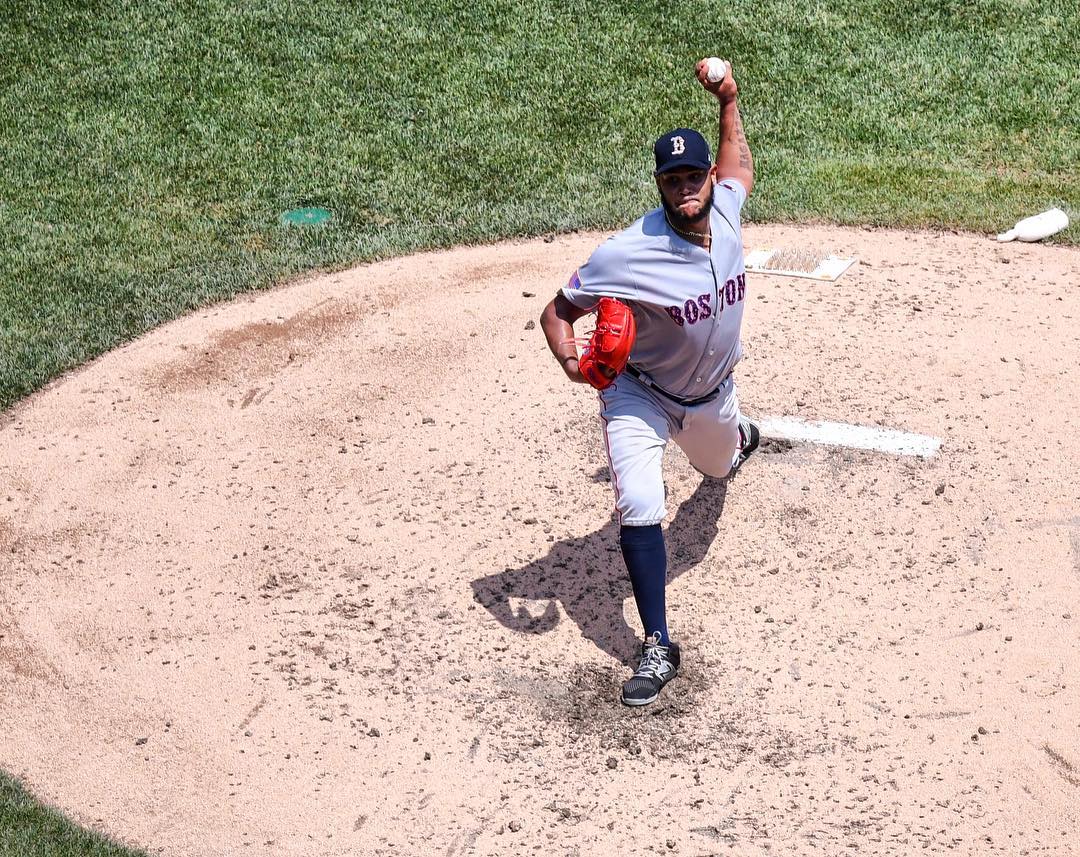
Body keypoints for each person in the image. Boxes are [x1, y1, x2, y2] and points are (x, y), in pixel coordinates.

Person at [539, 58, 759, 706]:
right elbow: (556, 312)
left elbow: (740, 163)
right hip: (639, 394)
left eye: (694, 174)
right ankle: (657, 642)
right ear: (660, 184)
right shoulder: (628, 251)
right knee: (640, 505)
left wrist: (729, 98)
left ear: (707, 178)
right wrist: (575, 364)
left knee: (718, 469)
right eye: (673, 178)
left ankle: (737, 439)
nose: (686, 186)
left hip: (710, 396)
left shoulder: (726, 206)